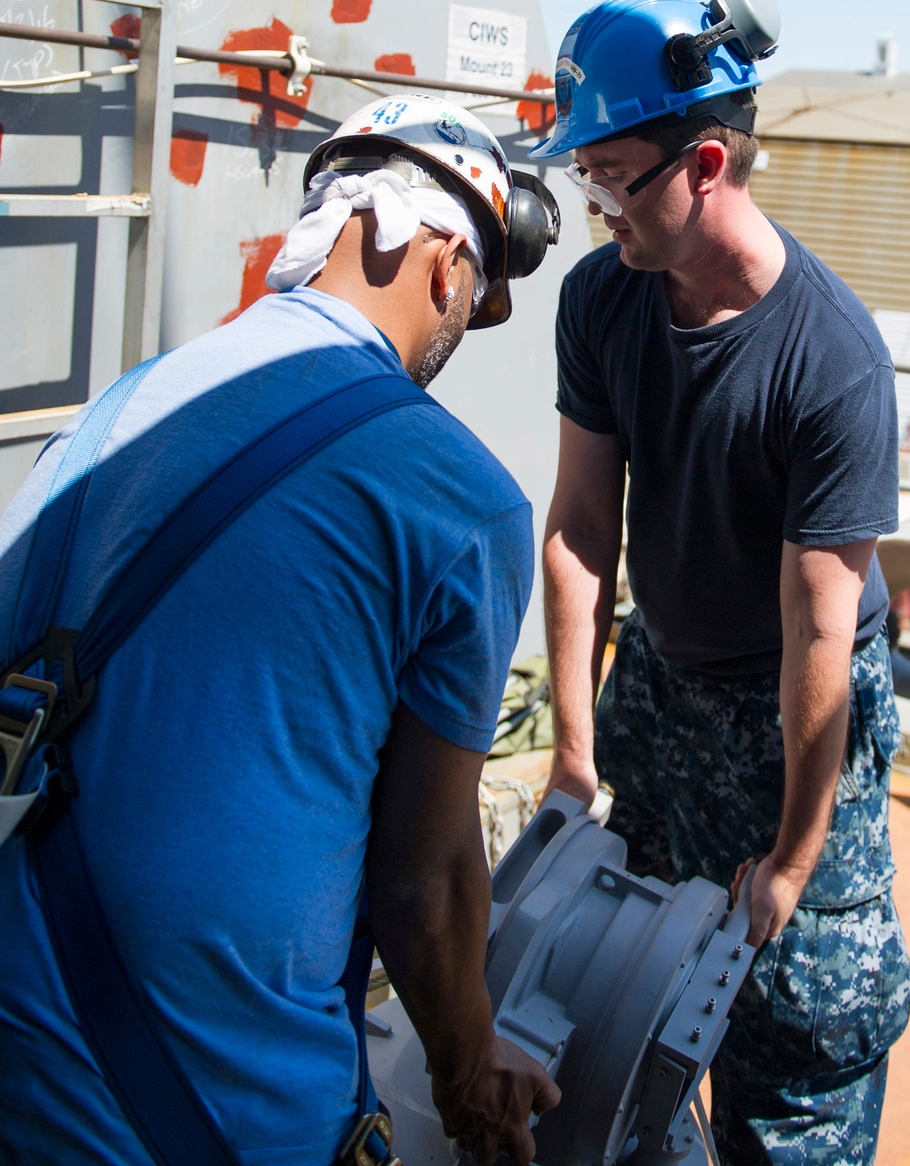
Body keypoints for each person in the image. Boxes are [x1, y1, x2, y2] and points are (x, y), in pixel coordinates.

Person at [0, 93, 559, 1166]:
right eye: (471, 299)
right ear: (443, 265)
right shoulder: (457, 498)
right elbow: (426, 878)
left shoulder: (114, 411)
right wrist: (468, 1068)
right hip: (205, 1111)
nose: (456, 332)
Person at [530, 0, 910, 1165]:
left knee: (792, 1034)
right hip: (662, 678)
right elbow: (584, 523)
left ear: (704, 162)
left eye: (611, 177)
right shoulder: (606, 297)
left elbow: (819, 639)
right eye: (580, 177)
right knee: (621, 990)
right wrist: (576, 747)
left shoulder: (831, 363)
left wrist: (796, 854)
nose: (594, 208)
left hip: (796, 714)